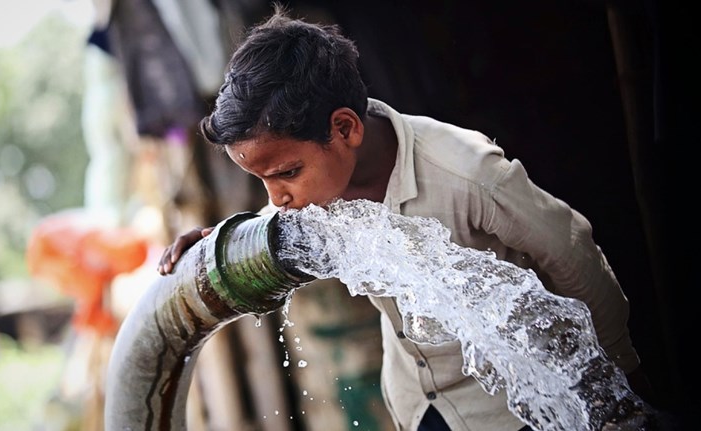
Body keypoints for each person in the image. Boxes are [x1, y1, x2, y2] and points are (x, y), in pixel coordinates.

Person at [157, 5, 654, 430]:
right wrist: (218, 242)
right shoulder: (317, 194)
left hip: (505, 410)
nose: (278, 198)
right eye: (263, 180)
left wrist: (615, 386)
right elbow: (271, 224)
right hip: (416, 406)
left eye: (286, 172)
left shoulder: (467, 173)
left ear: (345, 129)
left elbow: (573, 254)